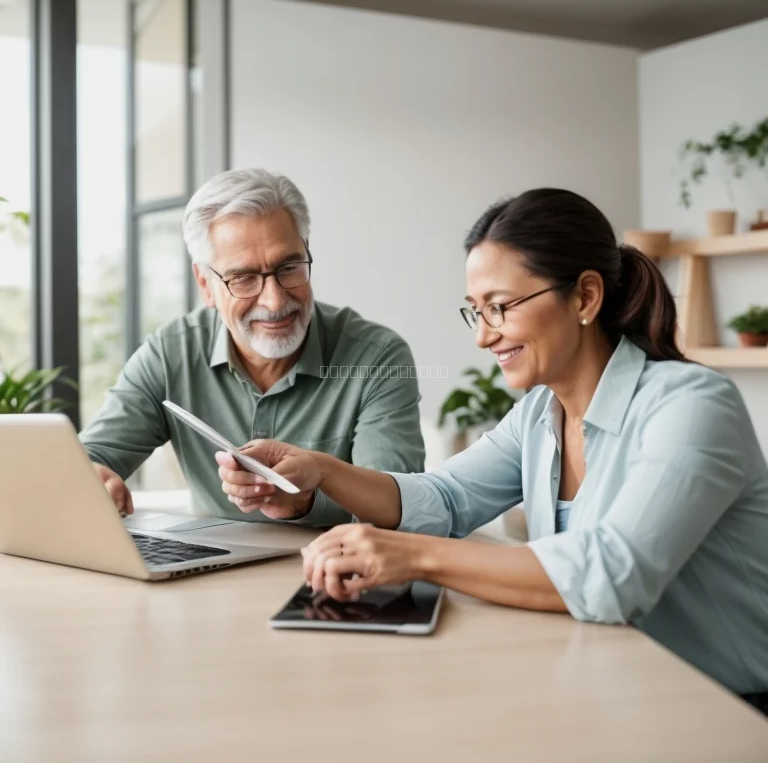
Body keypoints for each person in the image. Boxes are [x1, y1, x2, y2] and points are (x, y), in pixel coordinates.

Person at [218, 188, 768, 706]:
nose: (483, 335)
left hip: (725, 705)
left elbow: (611, 575)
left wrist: (414, 558)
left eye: (500, 307)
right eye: (476, 311)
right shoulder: (539, 413)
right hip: (616, 683)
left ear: (586, 295)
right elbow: (447, 499)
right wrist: (321, 469)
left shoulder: (692, 405)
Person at [80, 168, 425, 526]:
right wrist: (90, 477)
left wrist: (304, 501)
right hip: (209, 573)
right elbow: (89, 458)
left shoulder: (378, 356)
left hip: (339, 570)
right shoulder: (170, 353)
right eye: (243, 278)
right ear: (205, 284)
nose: (275, 302)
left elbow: (400, 507)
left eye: (289, 267)